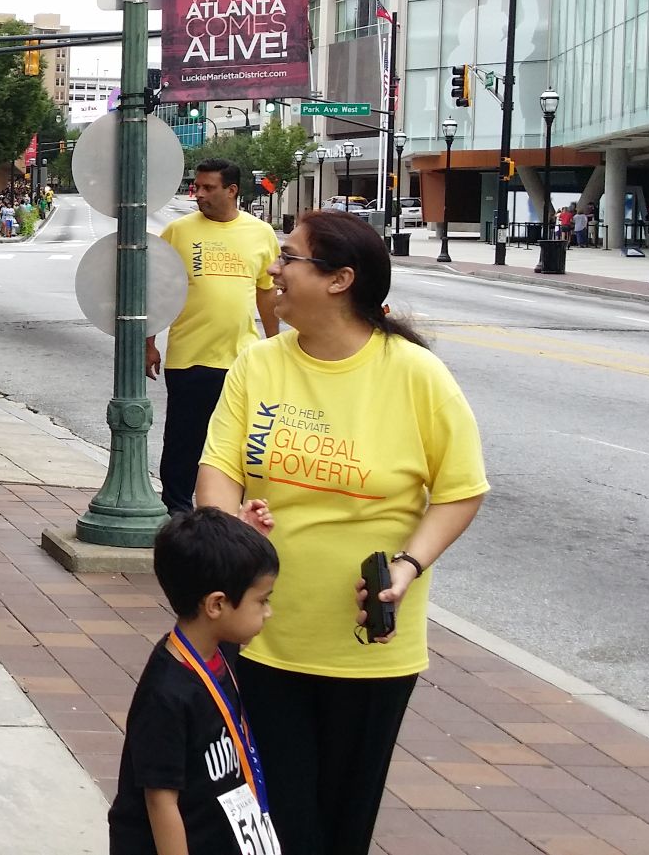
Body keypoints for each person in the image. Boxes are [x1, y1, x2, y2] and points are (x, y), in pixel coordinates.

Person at [197, 211, 488, 855]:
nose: (274, 268)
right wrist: (228, 531)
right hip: (264, 637)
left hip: (370, 648)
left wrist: (408, 566)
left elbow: (461, 489)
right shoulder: (258, 364)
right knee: (278, 822)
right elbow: (218, 468)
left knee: (344, 824)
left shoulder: (415, 374)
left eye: (289, 256)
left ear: (340, 279)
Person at [109, 509, 281, 855]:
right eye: (262, 601)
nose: (268, 612)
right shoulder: (166, 694)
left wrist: (246, 544)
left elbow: (236, 603)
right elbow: (161, 801)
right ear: (216, 604)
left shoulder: (217, 648)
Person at [148, 160, 280, 514]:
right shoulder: (178, 231)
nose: (199, 195)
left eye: (208, 188)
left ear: (232, 190)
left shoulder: (260, 233)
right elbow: (159, 289)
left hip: (241, 359)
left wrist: (274, 345)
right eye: (197, 187)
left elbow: (267, 292)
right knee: (184, 441)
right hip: (189, 356)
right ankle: (177, 512)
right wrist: (149, 342)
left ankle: (231, 515)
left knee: (240, 443)